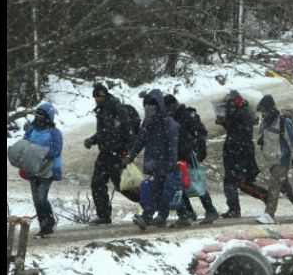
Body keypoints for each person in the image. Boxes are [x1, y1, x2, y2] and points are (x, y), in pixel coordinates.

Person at [124, 89, 179, 229]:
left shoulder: (168, 124)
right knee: (161, 191)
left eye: (151, 105)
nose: (148, 108)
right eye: (147, 105)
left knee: (163, 191)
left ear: (158, 106)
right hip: (155, 162)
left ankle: (149, 217)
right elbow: (140, 140)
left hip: (165, 163)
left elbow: (172, 146)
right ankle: (161, 217)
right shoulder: (148, 123)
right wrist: (130, 156)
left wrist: (172, 164)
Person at [164, 94, 220, 226]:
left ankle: (210, 211)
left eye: (167, 108)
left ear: (173, 105)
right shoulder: (172, 117)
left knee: (196, 183)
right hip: (177, 155)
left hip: (189, 155)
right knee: (179, 185)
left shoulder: (187, 115)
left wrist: (196, 148)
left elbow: (201, 132)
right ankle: (188, 213)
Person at [254, 95, 293, 224]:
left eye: (264, 111)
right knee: (285, 188)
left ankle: (269, 214)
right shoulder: (265, 122)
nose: (262, 114)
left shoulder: (284, 122)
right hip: (271, 160)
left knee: (274, 185)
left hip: (282, 160)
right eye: (261, 111)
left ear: (270, 109)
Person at [84, 83, 135, 225]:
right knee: (97, 183)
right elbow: (103, 133)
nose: (96, 100)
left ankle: (149, 206)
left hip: (117, 153)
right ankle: (104, 215)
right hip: (105, 152)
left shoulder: (116, 108)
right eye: (94, 98)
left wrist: (128, 152)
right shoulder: (102, 110)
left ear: (103, 95)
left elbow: (128, 129)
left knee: (123, 185)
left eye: (97, 97)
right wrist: (92, 140)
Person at [218, 90, 268, 218]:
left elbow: (234, 129)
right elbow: (235, 129)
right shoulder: (246, 112)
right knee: (242, 183)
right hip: (242, 151)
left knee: (234, 182)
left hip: (236, 152)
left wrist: (223, 120)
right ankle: (267, 197)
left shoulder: (237, 113)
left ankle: (236, 209)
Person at [23, 103, 63, 239]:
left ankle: (49, 221)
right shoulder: (31, 130)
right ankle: (44, 225)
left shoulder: (55, 133)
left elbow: (56, 151)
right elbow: (24, 144)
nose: (39, 119)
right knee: (36, 199)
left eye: (42, 117)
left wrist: (40, 154)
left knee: (41, 197)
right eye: (37, 116)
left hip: (48, 170)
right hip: (33, 168)